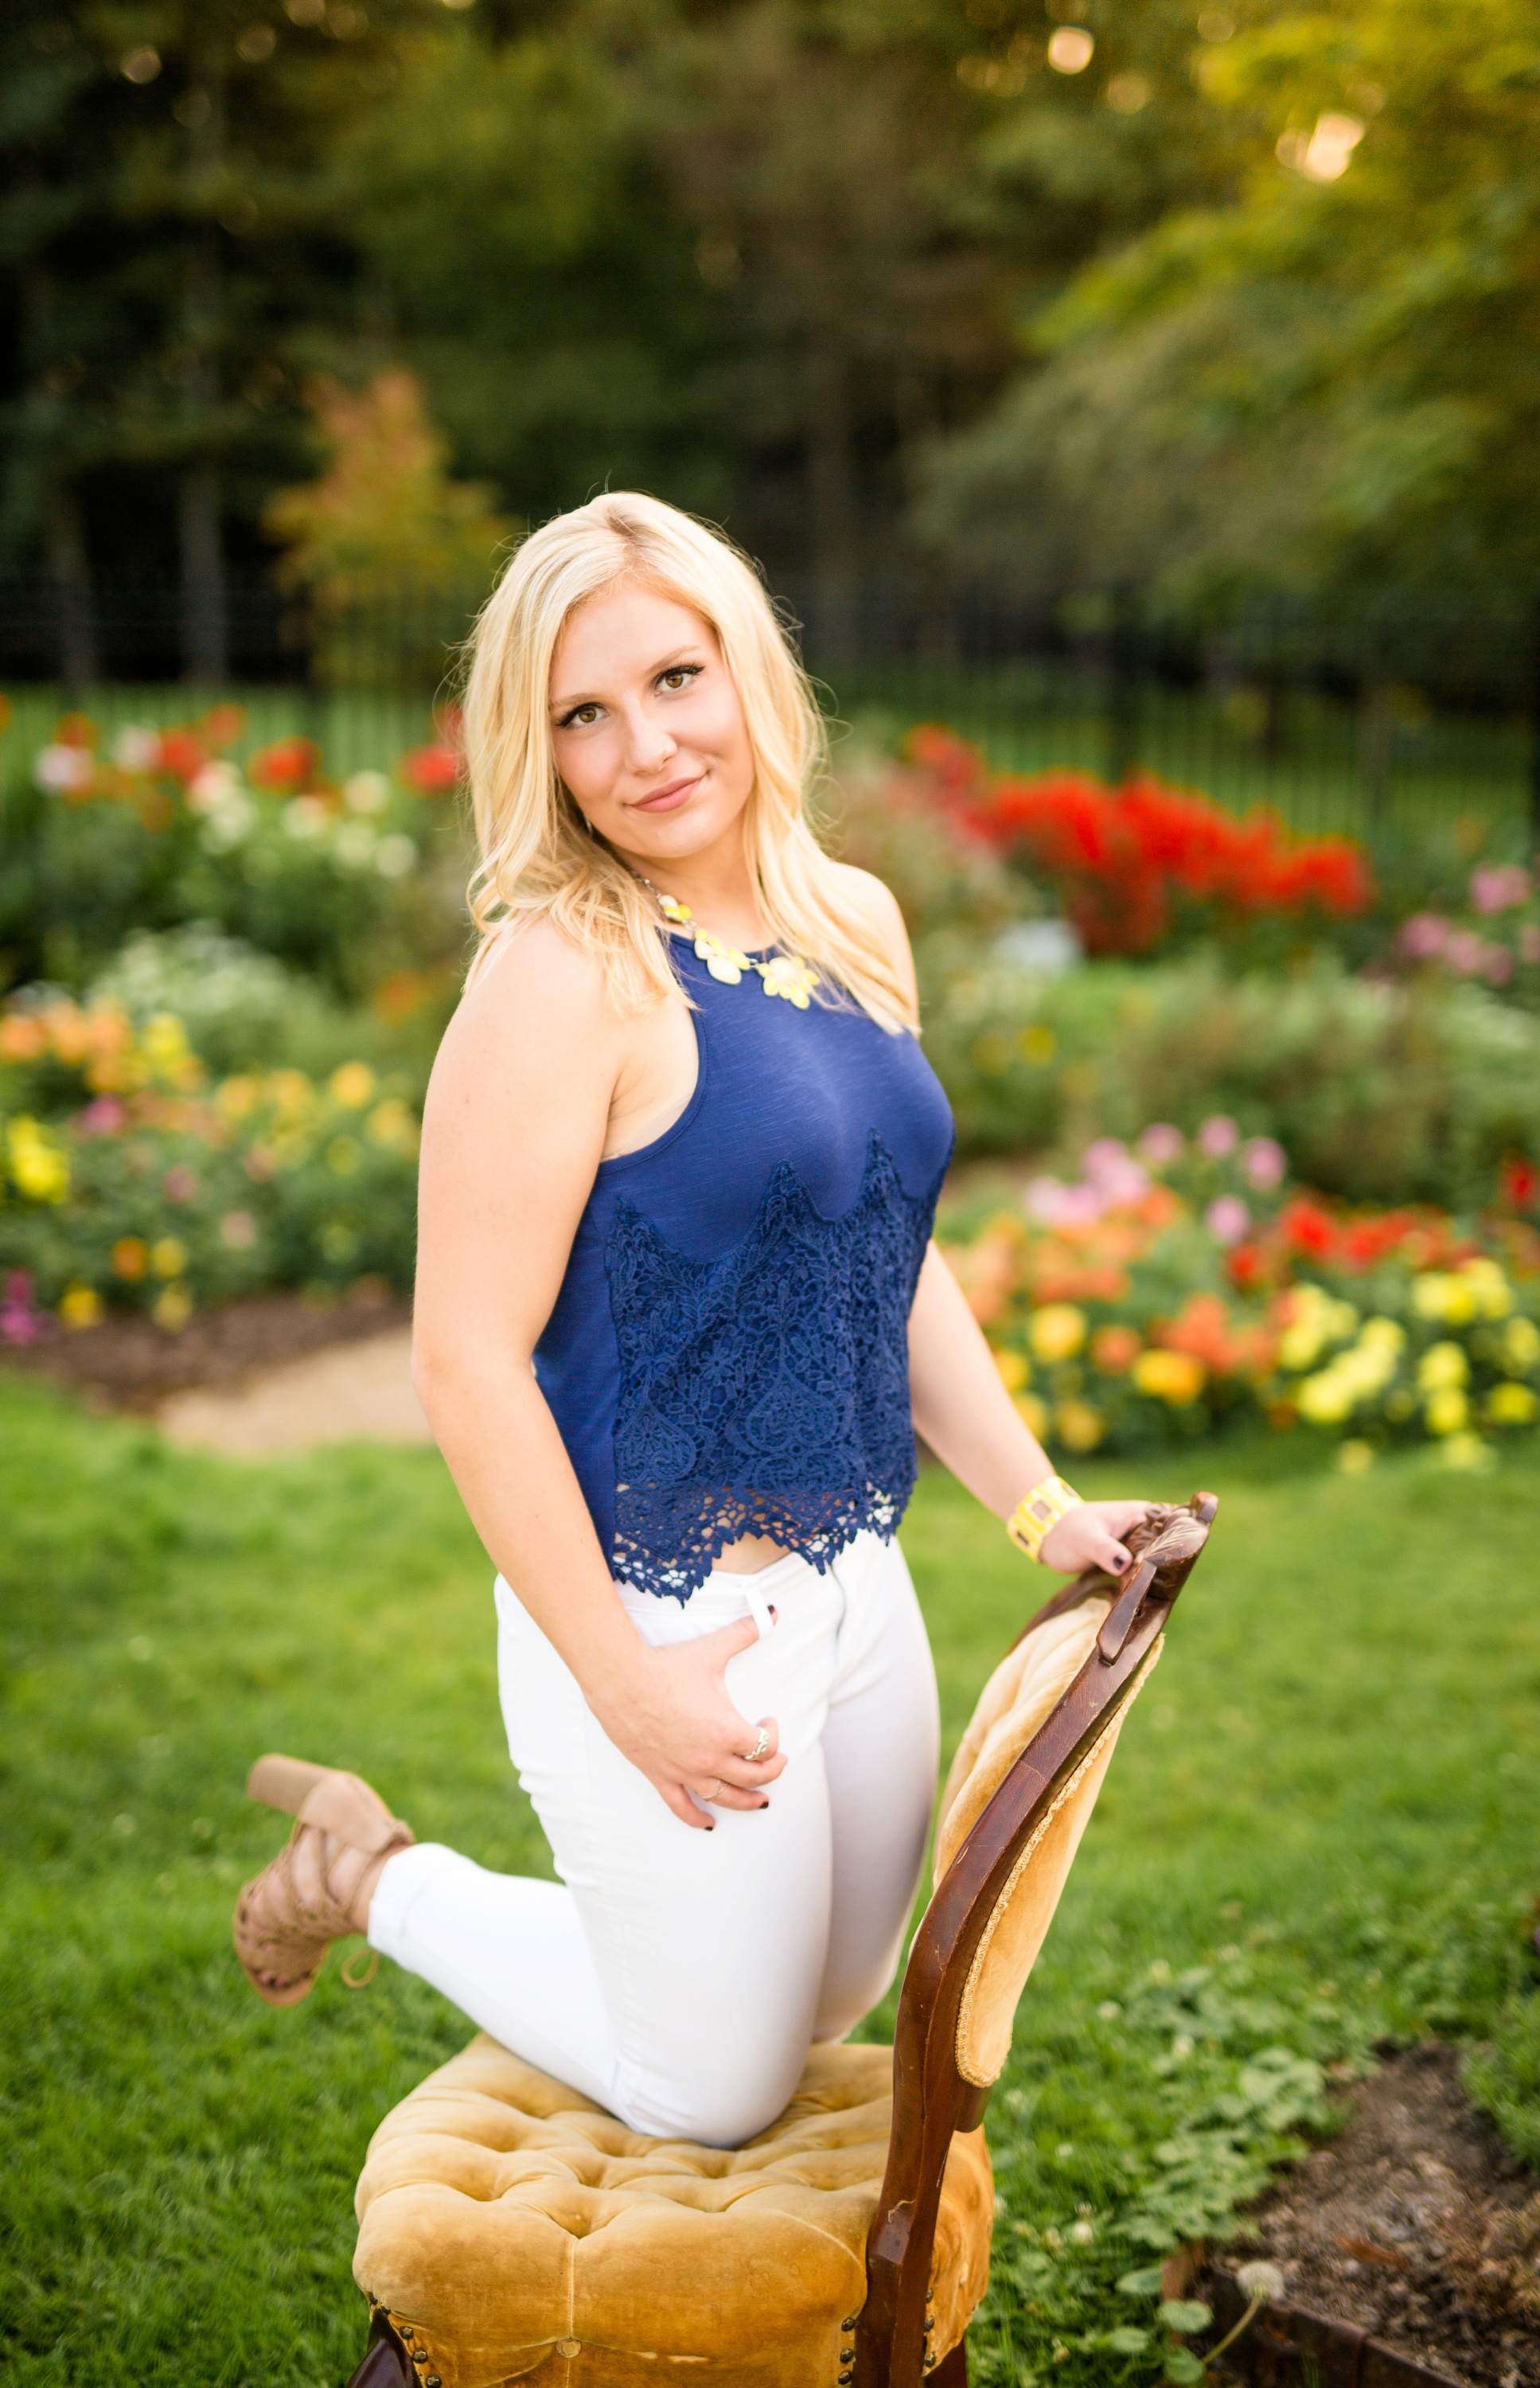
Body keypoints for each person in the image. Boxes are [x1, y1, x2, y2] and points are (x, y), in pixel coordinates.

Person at [232, 493, 1148, 2147]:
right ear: (541, 748)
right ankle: (375, 1878)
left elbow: (885, 1250)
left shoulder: (851, 918)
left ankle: (613, 1935)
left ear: (749, 668)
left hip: (854, 1587)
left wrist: (1041, 1503)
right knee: (712, 2090)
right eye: (582, 714)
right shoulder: (559, 980)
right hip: (653, 1617)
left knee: (831, 2005)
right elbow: (466, 1361)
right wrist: (619, 1686)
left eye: (673, 677)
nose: (642, 746)